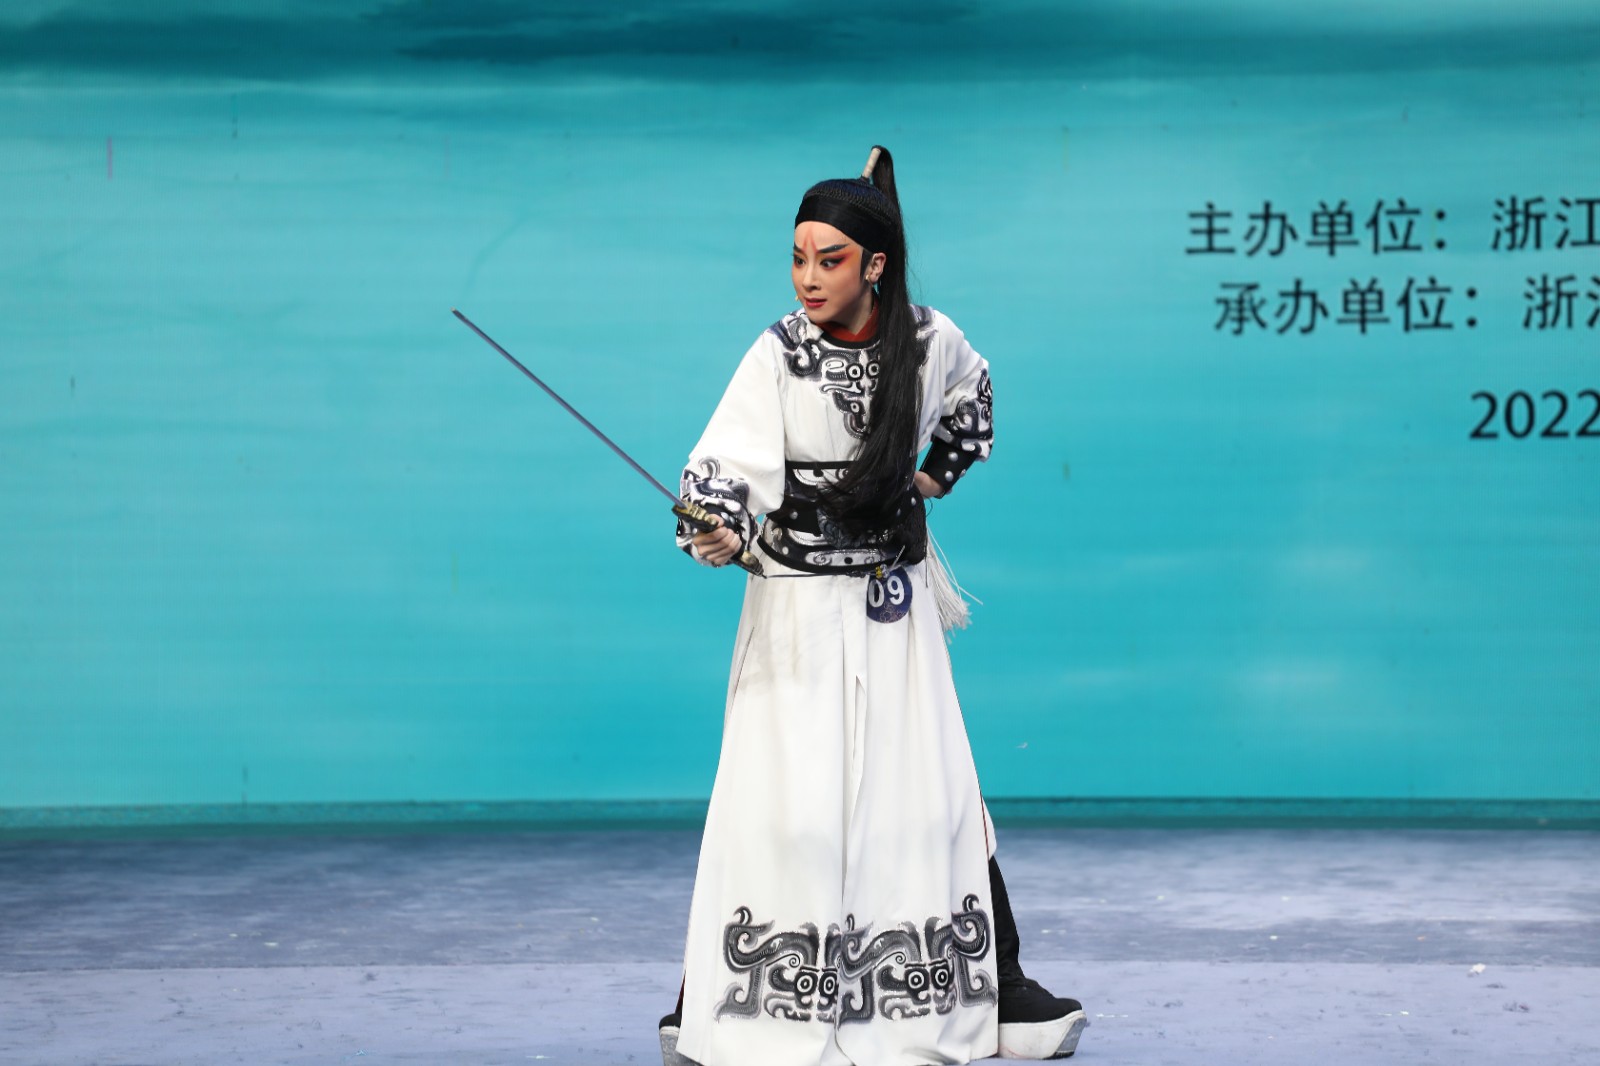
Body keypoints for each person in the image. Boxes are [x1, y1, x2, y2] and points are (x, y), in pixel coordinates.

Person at [659, 146, 1086, 1066]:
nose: (808, 278)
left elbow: (973, 400)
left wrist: (933, 476)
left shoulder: (930, 341)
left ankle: (998, 981)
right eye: (798, 258)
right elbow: (721, 464)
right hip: (797, 612)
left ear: (876, 264)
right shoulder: (779, 352)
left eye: (831, 259)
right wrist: (716, 523)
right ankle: (713, 994)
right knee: (779, 800)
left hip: (894, 608)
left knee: (936, 795)